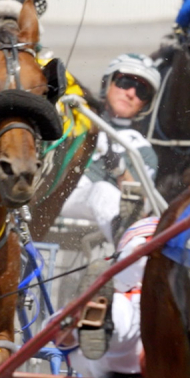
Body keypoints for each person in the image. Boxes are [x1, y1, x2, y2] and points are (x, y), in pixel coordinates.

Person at [59, 54, 161, 244]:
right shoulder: (78, 115)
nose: (131, 93)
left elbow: (142, 206)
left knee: (103, 191)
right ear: (108, 82)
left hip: (91, 204)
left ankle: (127, 254)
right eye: (125, 82)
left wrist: (119, 168)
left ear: (146, 104)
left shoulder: (141, 150)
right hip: (54, 191)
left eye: (141, 91)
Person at [56, 217, 158, 377]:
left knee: (117, 318)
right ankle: (83, 325)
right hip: (172, 335)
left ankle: (77, 326)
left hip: (124, 354)